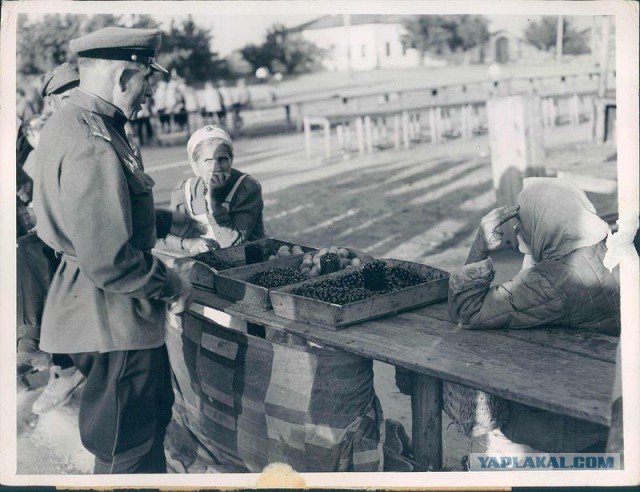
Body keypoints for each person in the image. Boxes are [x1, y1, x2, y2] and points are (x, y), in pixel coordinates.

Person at [32, 26, 193, 474]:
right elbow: (110, 259)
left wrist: (165, 220)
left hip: (89, 309)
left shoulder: (71, 122)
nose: (149, 93)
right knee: (129, 448)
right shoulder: (93, 141)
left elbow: (97, 214)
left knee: (130, 440)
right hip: (115, 318)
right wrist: (171, 282)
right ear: (123, 78)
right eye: (146, 80)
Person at [444, 177, 620, 455]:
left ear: (545, 220)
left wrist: (480, 245)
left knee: (494, 436)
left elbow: (469, 311)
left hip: (570, 421)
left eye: (523, 217)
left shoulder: (554, 280)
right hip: (608, 393)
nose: (516, 227)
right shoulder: (606, 247)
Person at [16, 63, 88, 413]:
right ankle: (43, 352)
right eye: (60, 99)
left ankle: (61, 363)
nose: (67, 104)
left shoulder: (96, 130)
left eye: (73, 94)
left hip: (96, 233)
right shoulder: (58, 136)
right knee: (28, 248)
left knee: (37, 253)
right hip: (67, 228)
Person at [160, 125, 265, 252]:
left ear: (231, 159)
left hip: (247, 261)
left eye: (222, 159)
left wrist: (214, 201)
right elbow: (165, 235)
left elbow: (230, 244)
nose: (216, 167)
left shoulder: (246, 187)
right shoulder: (184, 192)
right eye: (208, 161)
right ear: (195, 164)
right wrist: (188, 243)